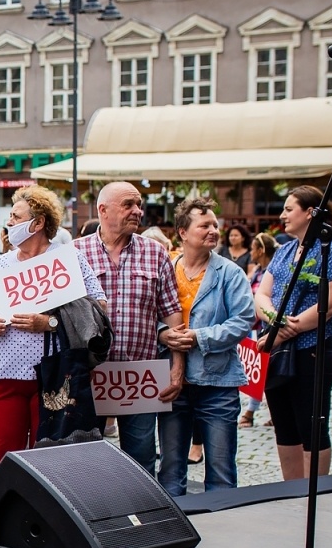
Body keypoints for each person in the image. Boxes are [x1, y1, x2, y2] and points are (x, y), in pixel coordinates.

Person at [0, 187, 108, 475]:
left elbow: (98, 308)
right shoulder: (3, 262)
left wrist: (49, 323)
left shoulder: (68, 259)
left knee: (49, 464)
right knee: (0, 460)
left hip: (54, 377)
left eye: (15, 216)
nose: (9, 222)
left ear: (37, 223)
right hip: (5, 374)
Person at [75, 181, 187, 473]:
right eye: (128, 205)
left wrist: (177, 368)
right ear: (103, 209)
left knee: (141, 461)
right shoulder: (74, 252)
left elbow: (172, 314)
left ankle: (142, 516)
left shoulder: (156, 253)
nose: (137, 211)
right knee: (85, 459)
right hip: (89, 374)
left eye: (139, 205)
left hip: (140, 375)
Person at [155, 197, 256, 497]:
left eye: (215, 224)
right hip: (173, 382)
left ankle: (223, 524)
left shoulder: (229, 273)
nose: (213, 230)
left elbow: (243, 321)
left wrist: (200, 336)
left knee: (221, 470)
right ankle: (173, 529)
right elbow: (150, 315)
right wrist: (163, 334)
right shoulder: (166, 270)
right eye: (204, 225)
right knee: (171, 468)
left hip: (217, 382)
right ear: (183, 233)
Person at [254, 186, 332, 480]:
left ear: (309, 213)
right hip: (279, 351)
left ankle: (314, 492)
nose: (282, 215)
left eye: (288, 208)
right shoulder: (283, 251)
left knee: (311, 425)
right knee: (284, 425)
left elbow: (330, 304)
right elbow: (262, 294)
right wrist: (275, 318)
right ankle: (290, 491)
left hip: (312, 349)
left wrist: (281, 333)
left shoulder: (330, 250)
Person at [239, 230, 280, 429]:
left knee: (261, 372)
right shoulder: (256, 270)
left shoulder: (270, 272)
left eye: (254, 248)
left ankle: (250, 413)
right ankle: (272, 413)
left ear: (261, 250)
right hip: (253, 327)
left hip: (266, 328)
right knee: (258, 372)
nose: (251, 252)